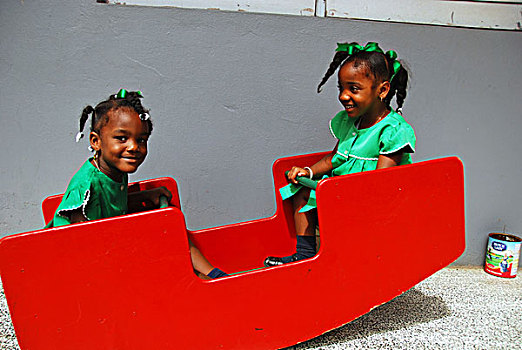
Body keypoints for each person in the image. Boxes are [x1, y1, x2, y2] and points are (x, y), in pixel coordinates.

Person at [45, 89, 227, 279]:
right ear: (96, 141)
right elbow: (84, 242)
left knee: (171, 229)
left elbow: (111, 206)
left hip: (107, 248)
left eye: (141, 140)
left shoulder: (114, 170)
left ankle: (213, 275)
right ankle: (206, 281)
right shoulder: (86, 188)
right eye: (121, 138)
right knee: (164, 248)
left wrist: (143, 197)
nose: (133, 147)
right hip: (81, 266)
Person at [264, 42, 416, 267]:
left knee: (337, 212)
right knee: (301, 191)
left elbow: (379, 183)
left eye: (353, 89)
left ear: (382, 90)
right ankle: (304, 256)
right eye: (341, 88)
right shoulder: (350, 122)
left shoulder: (393, 130)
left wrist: (341, 194)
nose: (344, 96)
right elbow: (335, 158)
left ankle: (342, 262)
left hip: (369, 201)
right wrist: (308, 171)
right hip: (341, 193)